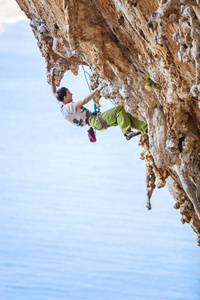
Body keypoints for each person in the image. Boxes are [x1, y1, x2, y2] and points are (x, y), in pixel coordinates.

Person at [50, 68, 148, 140]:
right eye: (69, 93)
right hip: (94, 120)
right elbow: (84, 101)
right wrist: (98, 88)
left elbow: (54, 92)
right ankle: (127, 132)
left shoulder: (62, 104)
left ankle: (146, 129)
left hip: (96, 123)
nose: (71, 94)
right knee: (118, 110)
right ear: (64, 98)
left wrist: (52, 77)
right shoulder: (68, 107)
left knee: (125, 116)